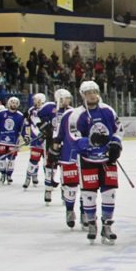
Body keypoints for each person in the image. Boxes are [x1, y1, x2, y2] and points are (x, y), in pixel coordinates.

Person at [71, 81, 123, 243]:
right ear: (82, 95)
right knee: (89, 194)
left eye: (94, 92)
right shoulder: (77, 114)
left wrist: (115, 144)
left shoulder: (107, 110)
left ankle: (107, 225)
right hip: (88, 160)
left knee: (109, 193)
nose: (92, 95)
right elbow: (74, 136)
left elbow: (119, 128)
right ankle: (92, 223)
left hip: (107, 159)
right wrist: (89, 142)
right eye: (88, 93)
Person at [52, 89, 83, 228]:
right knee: (71, 187)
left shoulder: (91, 113)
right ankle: (69, 210)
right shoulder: (67, 115)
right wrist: (54, 148)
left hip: (87, 156)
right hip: (68, 155)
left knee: (87, 187)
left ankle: (85, 212)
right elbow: (58, 135)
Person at [0, 96, 25, 184]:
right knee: (2, 158)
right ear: (9, 103)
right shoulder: (2, 113)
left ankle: (9, 175)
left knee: (11, 159)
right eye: (12, 103)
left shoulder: (20, 116)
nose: (14, 104)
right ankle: (2, 174)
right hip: (1, 139)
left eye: (16, 103)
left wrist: (26, 136)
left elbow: (23, 128)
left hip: (13, 141)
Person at [21, 93, 48, 189]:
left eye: (36, 99)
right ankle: (28, 177)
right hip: (36, 140)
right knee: (33, 160)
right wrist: (27, 135)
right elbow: (27, 124)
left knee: (47, 162)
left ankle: (48, 180)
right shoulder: (31, 110)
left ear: (41, 100)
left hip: (47, 140)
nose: (34, 101)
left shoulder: (47, 109)